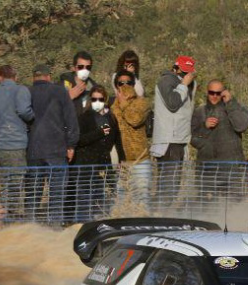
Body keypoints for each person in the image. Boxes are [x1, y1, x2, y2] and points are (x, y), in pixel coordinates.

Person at [26, 64, 79, 225]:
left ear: (33, 77)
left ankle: (30, 228)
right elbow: (71, 120)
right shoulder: (60, 91)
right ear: (49, 76)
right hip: (56, 150)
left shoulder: (27, 93)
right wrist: (71, 145)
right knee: (56, 194)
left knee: (33, 194)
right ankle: (54, 229)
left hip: (33, 150)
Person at [0, 65, 34, 221]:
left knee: (5, 182)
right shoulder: (21, 90)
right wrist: (32, 117)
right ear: (16, 77)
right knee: (14, 185)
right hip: (15, 145)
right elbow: (25, 112)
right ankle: (1, 221)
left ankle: (3, 218)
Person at [190, 79, 248, 202]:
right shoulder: (199, 112)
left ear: (224, 93)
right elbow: (193, 140)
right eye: (211, 93)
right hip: (207, 171)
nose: (214, 96)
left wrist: (230, 103)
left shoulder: (236, 107)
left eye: (218, 93)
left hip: (232, 170)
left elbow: (241, 126)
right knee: (206, 206)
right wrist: (205, 127)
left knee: (234, 206)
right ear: (207, 92)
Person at [72, 86, 123, 222]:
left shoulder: (111, 118)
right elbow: (79, 140)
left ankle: (100, 224)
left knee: (101, 201)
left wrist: (121, 159)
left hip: (103, 165)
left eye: (100, 99)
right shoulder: (83, 118)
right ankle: (82, 225)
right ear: (90, 100)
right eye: (94, 99)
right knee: (84, 201)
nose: (97, 102)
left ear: (105, 100)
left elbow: (118, 139)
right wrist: (99, 133)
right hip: (86, 165)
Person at [151, 55, 197, 204]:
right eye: (183, 71)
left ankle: (162, 210)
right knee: (168, 185)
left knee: (173, 184)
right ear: (175, 68)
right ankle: (160, 212)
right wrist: (184, 85)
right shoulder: (166, 81)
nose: (186, 75)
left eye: (189, 72)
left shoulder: (185, 84)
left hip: (179, 139)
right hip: (169, 140)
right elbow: (173, 103)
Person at [111, 69, 151, 210]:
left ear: (134, 84)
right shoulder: (112, 106)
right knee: (120, 200)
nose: (125, 86)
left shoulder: (142, 102)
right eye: (121, 83)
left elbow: (135, 119)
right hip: (121, 162)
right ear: (116, 86)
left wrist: (124, 104)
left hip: (140, 160)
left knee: (142, 200)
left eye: (128, 82)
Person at [59, 51, 97, 115]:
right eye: (80, 67)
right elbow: (52, 109)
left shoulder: (94, 87)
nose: (85, 70)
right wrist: (69, 97)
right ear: (74, 68)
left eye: (88, 67)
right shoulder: (62, 85)